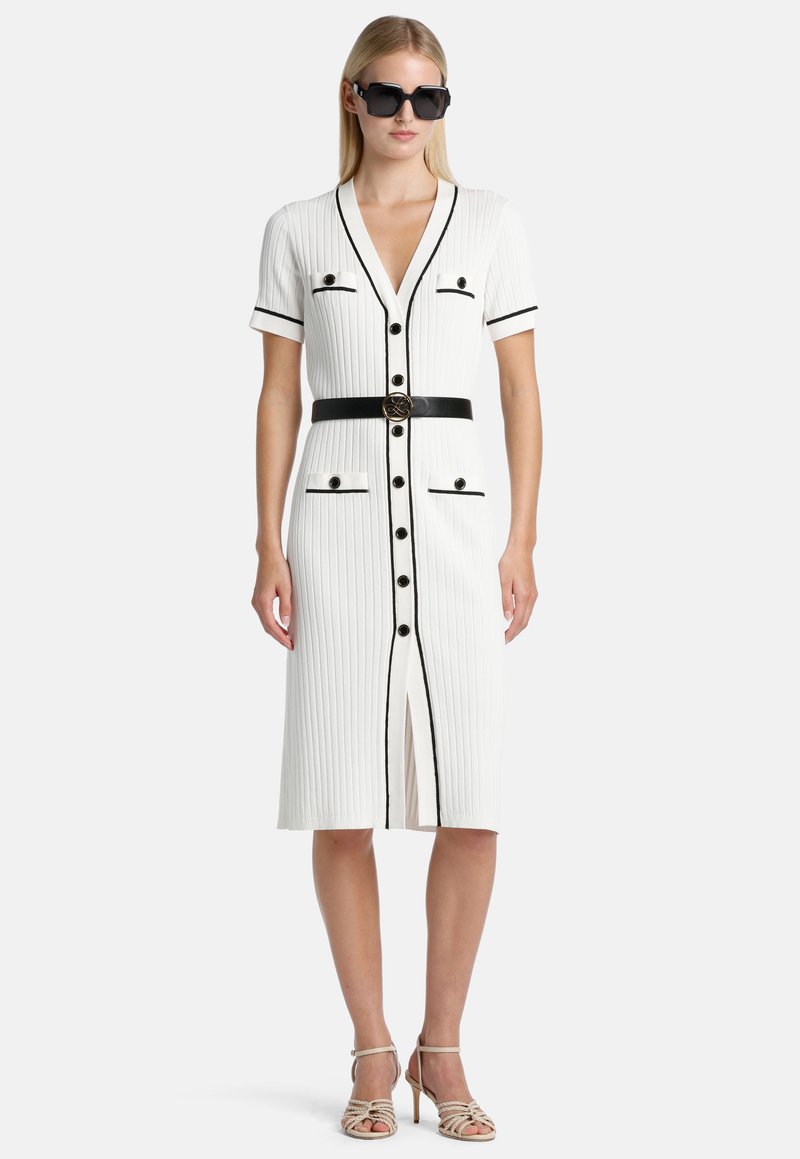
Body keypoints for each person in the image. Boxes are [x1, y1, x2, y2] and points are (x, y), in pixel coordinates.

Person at [249, 15, 542, 1142]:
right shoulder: (296, 229)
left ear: (444, 106)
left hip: (461, 526)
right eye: (386, 95)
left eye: (427, 98)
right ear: (352, 99)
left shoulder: (491, 224)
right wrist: (266, 542)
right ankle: (372, 1048)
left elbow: (519, 392)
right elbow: (279, 393)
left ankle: (443, 1044)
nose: (406, 116)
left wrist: (521, 540)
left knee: (472, 802)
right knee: (340, 795)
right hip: (333, 524)